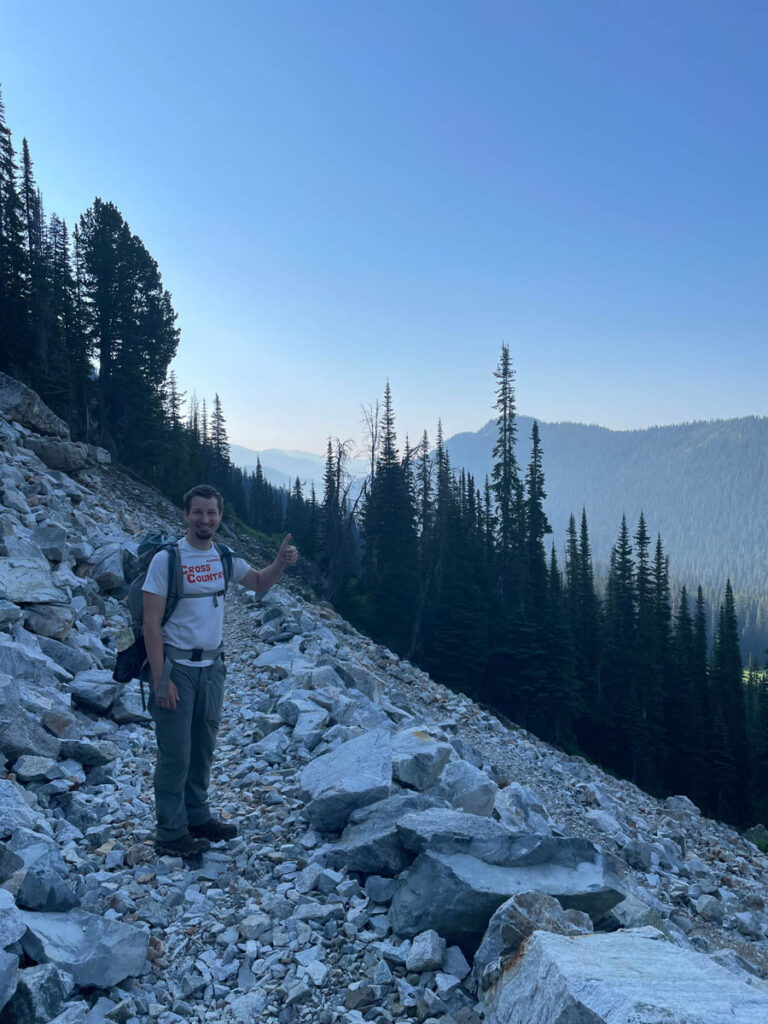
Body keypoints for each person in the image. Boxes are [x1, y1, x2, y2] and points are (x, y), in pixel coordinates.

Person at [142, 483, 298, 857]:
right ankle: (170, 833)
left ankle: (197, 817)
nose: (205, 519)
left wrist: (280, 562)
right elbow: (150, 624)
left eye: (211, 513)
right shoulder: (167, 560)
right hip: (176, 668)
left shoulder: (223, 557)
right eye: (198, 512)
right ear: (185, 515)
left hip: (212, 668)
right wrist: (161, 679)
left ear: (219, 516)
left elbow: (259, 582)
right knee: (175, 754)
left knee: (203, 749)